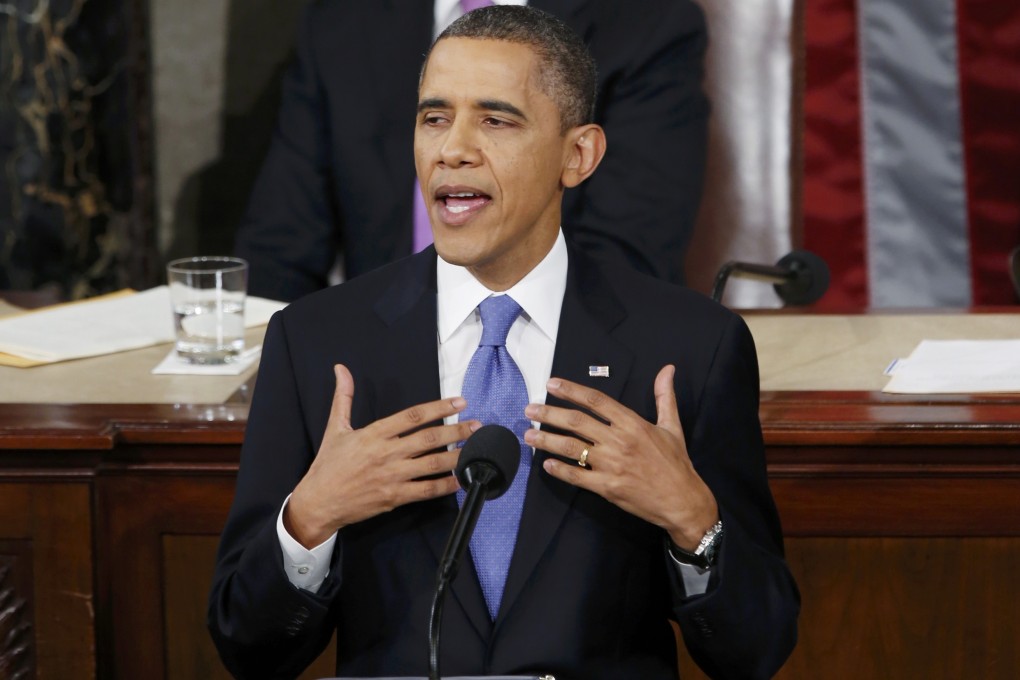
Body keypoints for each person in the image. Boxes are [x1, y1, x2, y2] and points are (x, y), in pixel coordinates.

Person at [209, 7, 798, 679]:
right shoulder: (315, 344)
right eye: (434, 118)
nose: (452, 148)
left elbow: (756, 651)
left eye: (496, 120)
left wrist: (694, 521)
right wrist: (309, 520)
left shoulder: (690, 348)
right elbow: (247, 648)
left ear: (578, 156)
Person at [233, 0, 709, 301]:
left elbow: (625, 252)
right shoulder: (341, 20)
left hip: (555, 356)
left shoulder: (646, 19)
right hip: (377, 363)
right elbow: (280, 245)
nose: (454, 150)